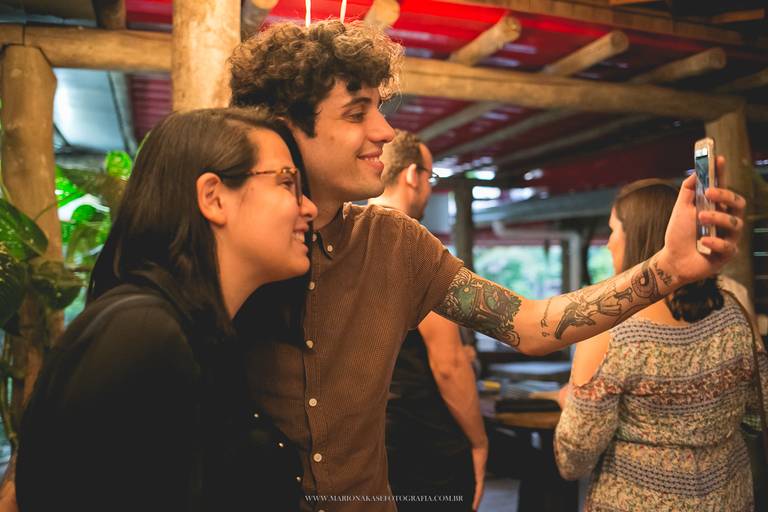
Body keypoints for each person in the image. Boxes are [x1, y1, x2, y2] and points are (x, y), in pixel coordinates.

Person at [229, 20, 745, 511]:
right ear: (286, 127)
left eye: (380, 108)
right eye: (357, 111)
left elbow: (532, 324)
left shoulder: (395, 244)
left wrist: (667, 267)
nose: (386, 130)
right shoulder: (223, 244)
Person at [12, 108, 317, 512]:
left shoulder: (196, 329)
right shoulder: (142, 330)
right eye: (287, 182)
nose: (309, 207)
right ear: (213, 197)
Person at [554, 179, 765, 511]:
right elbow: (756, 415)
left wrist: (571, 404)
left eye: (613, 231)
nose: (608, 243)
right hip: (728, 498)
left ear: (637, 235)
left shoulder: (609, 328)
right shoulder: (734, 312)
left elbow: (573, 460)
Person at [369, 130, 487, 511]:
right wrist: (479, 442)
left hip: (372, 434)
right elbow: (448, 363)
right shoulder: (412, 244)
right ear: (411, 175)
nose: (429, 188)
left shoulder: (348, 234)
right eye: (430, 177)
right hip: (424, 435)